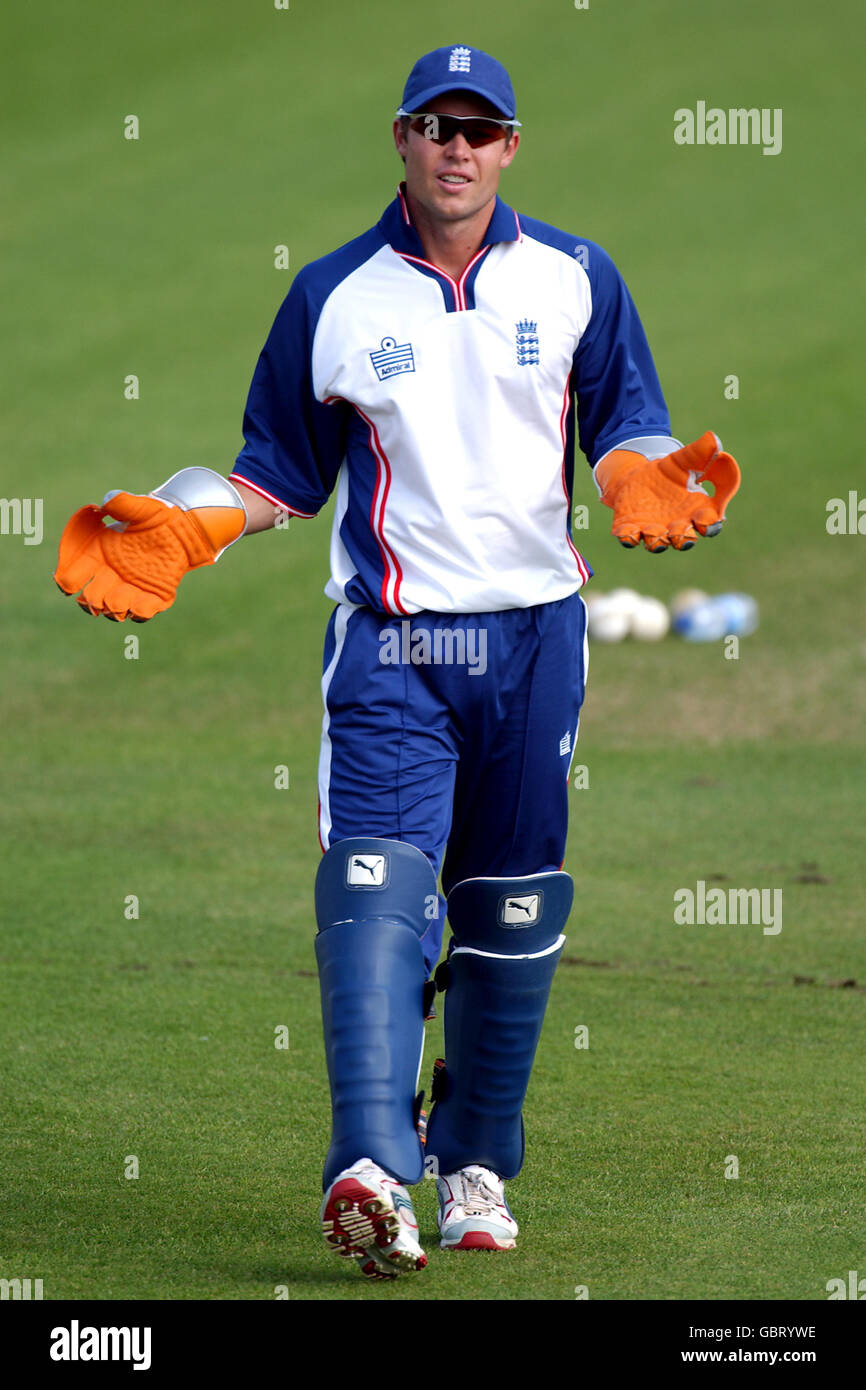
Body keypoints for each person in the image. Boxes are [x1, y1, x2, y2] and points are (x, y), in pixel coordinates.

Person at [54, 44, 740, 1282]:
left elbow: (626, 415)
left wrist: (638, 469)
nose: (457, 148)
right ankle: (370, 1163)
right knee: (374, 889)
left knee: (509, 903)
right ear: (401, 138)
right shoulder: (334, 297)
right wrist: (188, 515)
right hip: (393, 647)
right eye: (436, 125)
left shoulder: (578, 277)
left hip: (535, 644)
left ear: (511, 147)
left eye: (481, 129)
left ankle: (472, 1155)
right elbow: (272, 469)